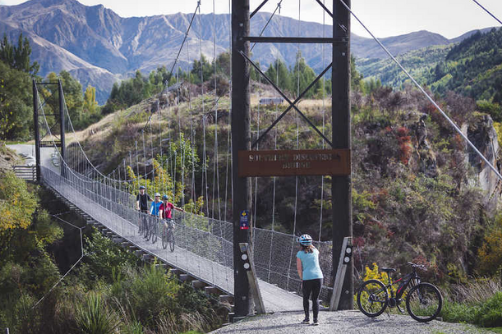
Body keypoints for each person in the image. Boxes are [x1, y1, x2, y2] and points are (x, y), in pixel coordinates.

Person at [296, 234, 323, 326]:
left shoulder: (299, 254)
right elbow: (313, 248)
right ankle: (315, 320)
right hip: (319, 277)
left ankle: (307, 318)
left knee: (306, 298)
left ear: (301, 244)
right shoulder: (316, 251)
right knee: (315, 299)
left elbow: (299, 269)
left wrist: (302, 279)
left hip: (307, 278)